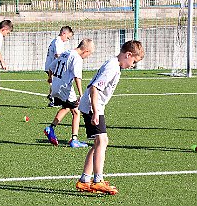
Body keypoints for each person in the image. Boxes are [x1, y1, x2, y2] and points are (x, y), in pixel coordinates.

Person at [76, 40, 145, 194]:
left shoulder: (114, 64)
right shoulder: (112, 67)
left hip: (94, 106)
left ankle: (84, 180)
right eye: (134, 61)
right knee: (102, 141)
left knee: (98, 143)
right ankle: (98, 180)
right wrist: (95, 112)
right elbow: (94, 88)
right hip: (93, 106)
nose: (132, 65)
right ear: (128, 55)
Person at [44, 38, 95, 148]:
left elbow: (51, 67)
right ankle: (74, 140)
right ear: (86, 51)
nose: (87, 57)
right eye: (89, 54)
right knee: (76, 112)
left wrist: (49, 78)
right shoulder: (77, 58)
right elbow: (77, 76)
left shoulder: (66, 53)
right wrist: (81, 95)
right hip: (65, 87)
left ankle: (51, 128)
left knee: (66, 107)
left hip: (56, 85)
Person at [45, 26, 74, 107]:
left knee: (54, 82)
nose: (67, 40)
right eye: (68, 37)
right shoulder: (59, 42)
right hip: (53, 66)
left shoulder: (56, 41)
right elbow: (58, 55)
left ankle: (53, 98)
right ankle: (53, 98)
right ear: (63, 33)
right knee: (57, 82)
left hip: (50, 65)